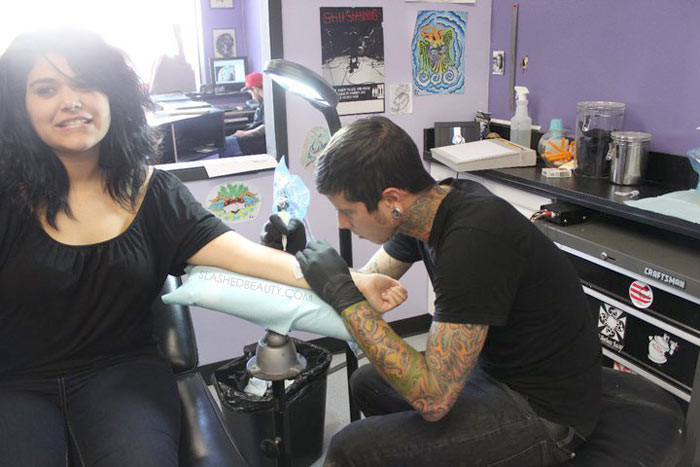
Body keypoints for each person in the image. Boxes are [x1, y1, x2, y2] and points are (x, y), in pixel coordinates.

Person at [0, 30, 404, 467]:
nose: (71, 101)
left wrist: (353, 281)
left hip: (122, 374)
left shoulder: (153, 194)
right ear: (17, 105)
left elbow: (247, 257)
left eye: (86, 84)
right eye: (46, 89)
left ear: (112, 95)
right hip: (15, 381)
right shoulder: (8, 195)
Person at [288, 116, 602, 466]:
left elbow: (434, 399)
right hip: (496, 374)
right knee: (366, 383)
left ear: (392, 199)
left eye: (347, 212)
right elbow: (365, 280)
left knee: (350, 450)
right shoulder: (425, 208)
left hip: (548, 412)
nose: (341, 224)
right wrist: (289, 262)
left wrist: (344, 295)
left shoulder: (474, 238)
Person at [222, 71, 266, 157]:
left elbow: (268, 127)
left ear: (255, 89)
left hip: (254, 143)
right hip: (249, 139)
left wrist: (247, 133)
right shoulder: (262, 103)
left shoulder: (270, 104)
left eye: (251, 92)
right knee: (223, 142)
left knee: (220, 148)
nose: (252, 97)